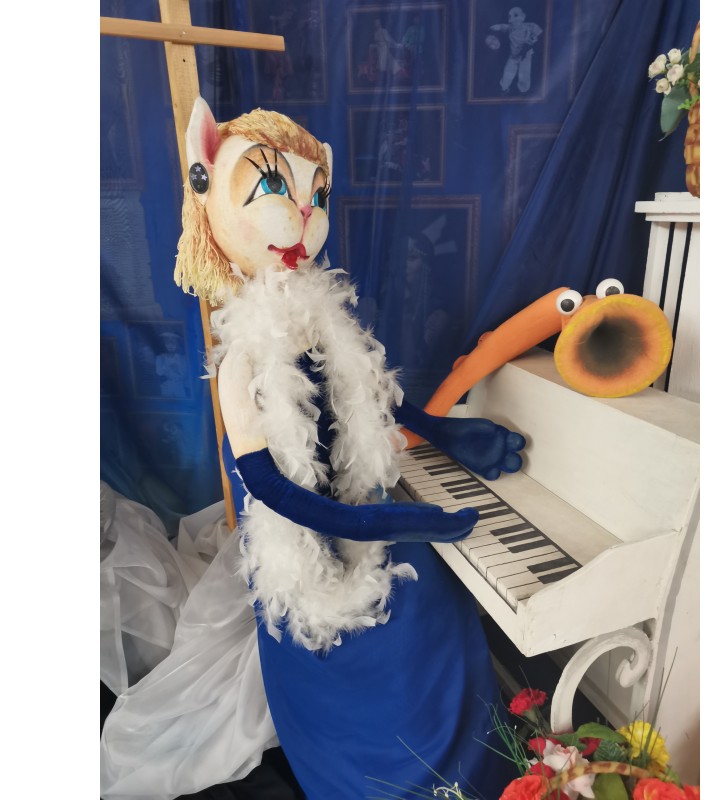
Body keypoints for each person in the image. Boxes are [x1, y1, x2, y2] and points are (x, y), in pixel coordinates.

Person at [173, 97, 524, 798]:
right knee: (406, 607)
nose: (304, 211)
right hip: (302, 545)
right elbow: (268, 486)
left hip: (357, 506)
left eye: (317, 193)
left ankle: (474, 774)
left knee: (439, 594)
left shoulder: (324, 318)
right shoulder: (242, 360)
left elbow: (370, 397)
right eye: (274, 185)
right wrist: (389, 522)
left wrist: (449, 431)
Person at [489, 6, 543, 94]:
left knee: (524, 72)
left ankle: (523, 89)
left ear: (523, 16)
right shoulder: (511, 28)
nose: (512, 19)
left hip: (526, 55)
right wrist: (497, 26)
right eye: (509, 16)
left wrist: (533, 38)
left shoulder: (529, 26)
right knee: (508, 71)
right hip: (513, 54)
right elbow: (503, 26)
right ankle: (504, 87)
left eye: (516, 15)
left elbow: (538, 31)